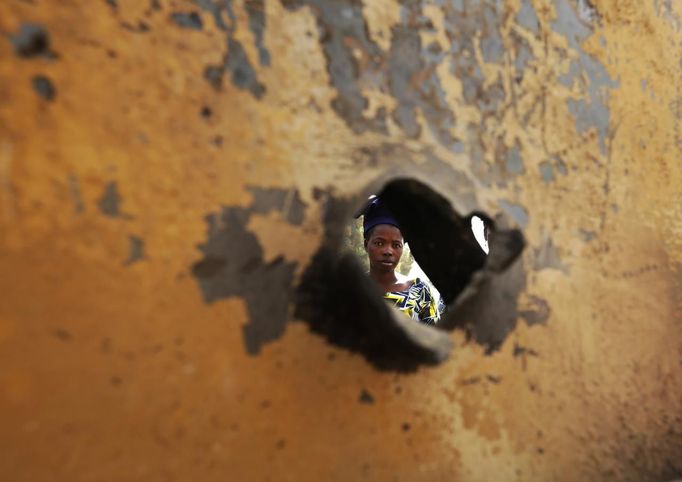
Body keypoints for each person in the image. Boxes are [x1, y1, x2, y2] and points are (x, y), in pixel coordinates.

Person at [357, 196, 441, 326]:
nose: (388, 251)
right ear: (365, 244)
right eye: (379, 243)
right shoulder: (351, 289)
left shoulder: (419, 292)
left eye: (396, 245)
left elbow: (436, 342)